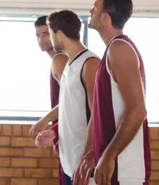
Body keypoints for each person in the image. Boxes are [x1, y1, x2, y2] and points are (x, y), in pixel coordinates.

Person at [74, 0, 151, 185]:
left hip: (124, 171)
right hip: (112, 168)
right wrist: (95, 151)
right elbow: (103, 113)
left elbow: (138, 110)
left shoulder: (120, 49)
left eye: (95, 7)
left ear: (105, 17)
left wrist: (108, 156)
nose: (91, 12)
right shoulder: (111, 51)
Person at [32, 10, 100, 185]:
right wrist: (53, 132)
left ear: (59, 34)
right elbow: (70, 108)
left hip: (84, 163)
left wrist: (88, 156)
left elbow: (97, 114)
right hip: (69, 160)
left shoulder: (90, 63)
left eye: (50, 33)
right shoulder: (71, 64)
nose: (47, 39)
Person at [30, 15, 69, 185]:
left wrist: (49, 123)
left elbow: (74, 100)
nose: (41, 39)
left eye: (45, 34)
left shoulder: (61, 60)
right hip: (64, 133)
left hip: (73, 135)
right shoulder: (56, 60)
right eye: (38, 35)